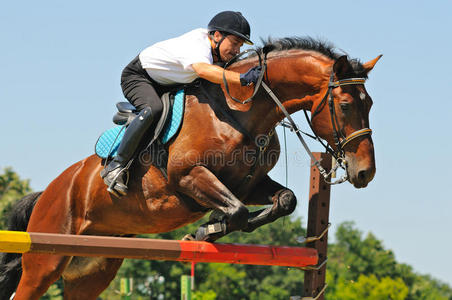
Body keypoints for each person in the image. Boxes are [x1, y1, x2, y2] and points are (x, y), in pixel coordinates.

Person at [101, 11, 262, 196]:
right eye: (234, 44)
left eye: (240, 46)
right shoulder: (198, 45)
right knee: (153, 109)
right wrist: (242, 78)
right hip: (139, 77)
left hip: (170, 81)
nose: (237, 51)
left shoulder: (215, 51)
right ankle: (115, 166)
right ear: (217, 36)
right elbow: (203, 70)